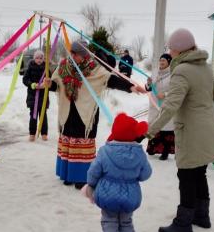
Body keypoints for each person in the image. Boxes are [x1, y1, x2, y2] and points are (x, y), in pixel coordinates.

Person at [147, 28, 214, 232]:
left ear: (179, 49)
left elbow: (170, 106)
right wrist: (200, 106)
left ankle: (183, 223)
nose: (170, 53)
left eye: (171, 48)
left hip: (192, 131)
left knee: (187, 175)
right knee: (199, 172)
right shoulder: (205, 67)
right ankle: (202, 216)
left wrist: (151, 130)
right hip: (208, 127)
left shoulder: (181, 71)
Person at [44, 40, 144, 189]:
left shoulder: (94, 69)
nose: (72, 56)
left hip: (86, 112)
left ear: (83, 55)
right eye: (71, 52)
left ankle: (81, 177)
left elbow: (110, 80)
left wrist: (130, 87)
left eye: (75, 54)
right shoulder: (64, 66)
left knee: (82, 140)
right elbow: (56, 85)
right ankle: (68, 174)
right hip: (68, 112)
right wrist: (49, 84)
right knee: (69, 139)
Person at [85, 113, 152, 232]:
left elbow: (94, 171)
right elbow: (146, 174)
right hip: (130, 196)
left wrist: (91, 185)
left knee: (109, 222)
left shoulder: (105, 151)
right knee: (126, 222)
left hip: (108, 195)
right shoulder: (139, 153)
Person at [146, 53, 175, 160]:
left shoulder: (173, 74)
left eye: (164, 60)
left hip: (165, 104)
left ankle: (165, 152)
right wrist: (148, 84)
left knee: (165, 128)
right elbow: (148, 89)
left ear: (169, 62)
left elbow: (176, 90)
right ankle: (152, 149)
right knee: (154, 126)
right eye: (160, 60)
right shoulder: (155, 73)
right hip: (154, 104)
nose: (161, 62)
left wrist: (165, 94)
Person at [22, 49, 51, 141]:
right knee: (33, 115)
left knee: (43, 115)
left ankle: (44, 133)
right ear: (34, 58)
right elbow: (25, 79)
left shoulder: (46, 68)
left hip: (43, 95)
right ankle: (32, 133)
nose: (39, 60)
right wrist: (32, 84)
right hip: (33, 96)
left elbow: (50, 80)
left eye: (41, 58)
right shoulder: (30, 67)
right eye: (37, 58)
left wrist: (45, 85)